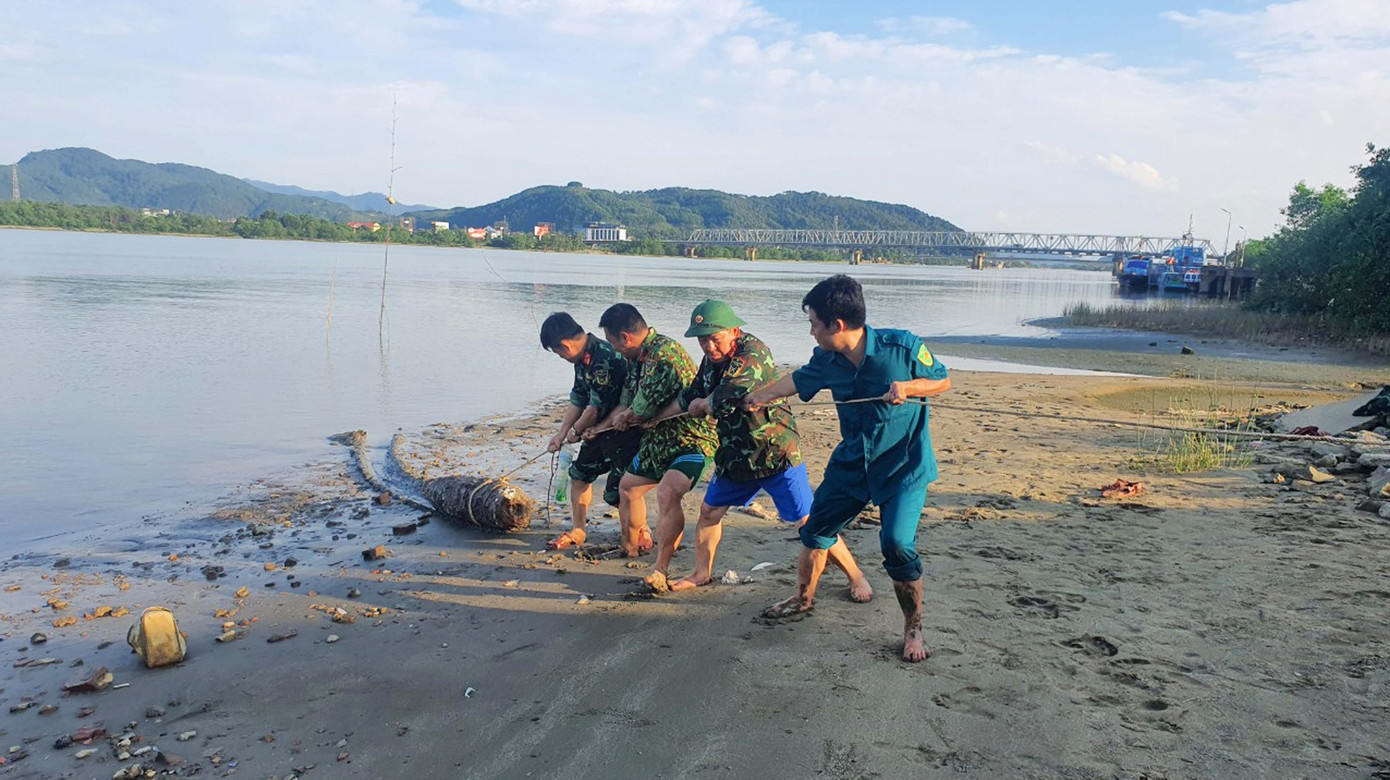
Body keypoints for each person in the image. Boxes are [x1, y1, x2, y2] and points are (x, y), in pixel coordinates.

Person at [746, 274, 951, 662]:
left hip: (902, 467)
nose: (812, 333)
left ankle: (913, 630)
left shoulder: (901, 346)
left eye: (814, 324)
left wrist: (909, 388)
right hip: (852, 463)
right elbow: (797, 380)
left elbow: (942, 382)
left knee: (896, 544)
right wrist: (759, 396)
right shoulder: (827, 359)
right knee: (814, 529)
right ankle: (803, 599)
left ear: (837, 325)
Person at [666, 299, 872, 603]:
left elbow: (724, 397)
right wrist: (645, 416)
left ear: (734, 331)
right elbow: (692, 395)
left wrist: (702, 406)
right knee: (709, 512)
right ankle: (701, 572)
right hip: (736, 455)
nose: (708, 346)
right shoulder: (712, 359)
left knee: (810, 523)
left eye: (714, 338)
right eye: (702, 339)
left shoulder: (753, 352)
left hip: (775, 452)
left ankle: (856, 577)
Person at [599, 303, 717, 577]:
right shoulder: (636, 357)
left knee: (668, 492)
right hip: (658, 439)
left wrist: (627, 417)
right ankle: (630, 546)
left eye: (611, 341)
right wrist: (606, 423)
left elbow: (640, 408)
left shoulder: (662, 355)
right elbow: (627, 402)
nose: (612, 348)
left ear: (625, 338)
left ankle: (660, 566)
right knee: (627, 488)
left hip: (691, 438)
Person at [538, 312, 640, 550]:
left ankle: (638, 535)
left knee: (620, 491)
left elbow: (595, 408)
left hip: (622, 429)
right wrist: (561, 434)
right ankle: (578, 529)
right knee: (580, 474)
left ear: (564, 346)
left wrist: (575, 431)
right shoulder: (581, 359)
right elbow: (579, 398)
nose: (561, 358)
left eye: (558, 353)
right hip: (596, 431)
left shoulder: (602, 357)